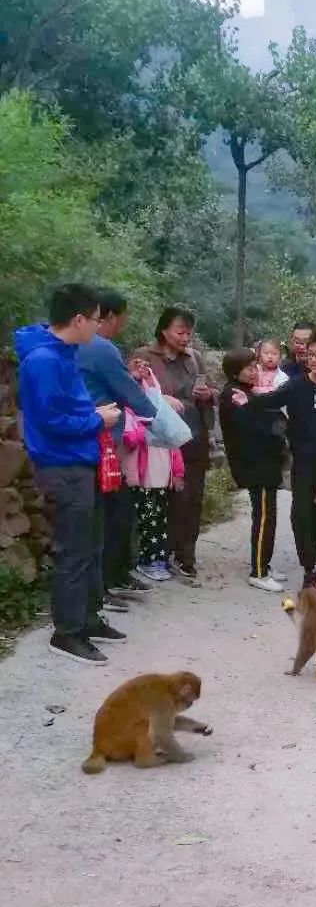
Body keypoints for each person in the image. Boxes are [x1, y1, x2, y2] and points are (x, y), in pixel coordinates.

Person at [16, 283, 125, 663]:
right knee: (73, 550)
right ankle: (68, 631)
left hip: (84, 459)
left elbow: (69, 407)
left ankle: (89, 617)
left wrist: (95, 416)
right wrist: (96, 418)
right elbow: (51, 420)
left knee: (92, 544)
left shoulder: (66, 353)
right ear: (78, 319)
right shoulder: (43, 361)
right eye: (96, 319)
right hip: (62, 465)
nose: (98, 326)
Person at [242, 328, 316, 596]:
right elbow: (269, 400)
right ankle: (309, 569)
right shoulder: (297, 386)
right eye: (310, 355)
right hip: (305, 462)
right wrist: (243, 398)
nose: (313, 360)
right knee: (303, 514)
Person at [76, 289, 159, 601]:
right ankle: (106, 585)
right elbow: (130, 395)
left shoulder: (76, 348)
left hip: (91, 442)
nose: (121, 325)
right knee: (111, 517)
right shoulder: (100, 347)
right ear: (107, 317)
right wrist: (161, 416)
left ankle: (113, 579)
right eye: (121, 319)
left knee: (114, 513)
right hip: (102, 444)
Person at [134, 308, 215, 581]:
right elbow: (132, 391)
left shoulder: (195, 358)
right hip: (160, 439)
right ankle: (156, 555)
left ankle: (185, 555)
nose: (185, 337)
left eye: (189, 332)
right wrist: (160, 399)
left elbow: (212, 390)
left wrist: (207, 394)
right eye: (180, 331)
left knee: (192, 499)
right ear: (164, 330)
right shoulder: (145, 356)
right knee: (161, 498)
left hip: (193, 435)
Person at [219, 349, 289, 593]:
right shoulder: (234, 395)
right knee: (263, 517)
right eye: (248, 367)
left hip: (264, 464)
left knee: (268, 515)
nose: (254, 370)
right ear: (235, 371)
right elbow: (253, 429)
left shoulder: (247, 393)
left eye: (254, 366)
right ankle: (258, 571)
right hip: (255, 465)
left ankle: (264, 564)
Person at [119, 367, 186, 585]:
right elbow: (130, 438)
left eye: (148, 376)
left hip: (161, 480)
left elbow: (175, 446)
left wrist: (177, 473)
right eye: (139, 379)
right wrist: (143, 422)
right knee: (146, 520)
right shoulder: (130, 411)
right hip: (142, 479)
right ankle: (145, 560)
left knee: (159, 520)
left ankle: (158, 559)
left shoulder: (161, 409)